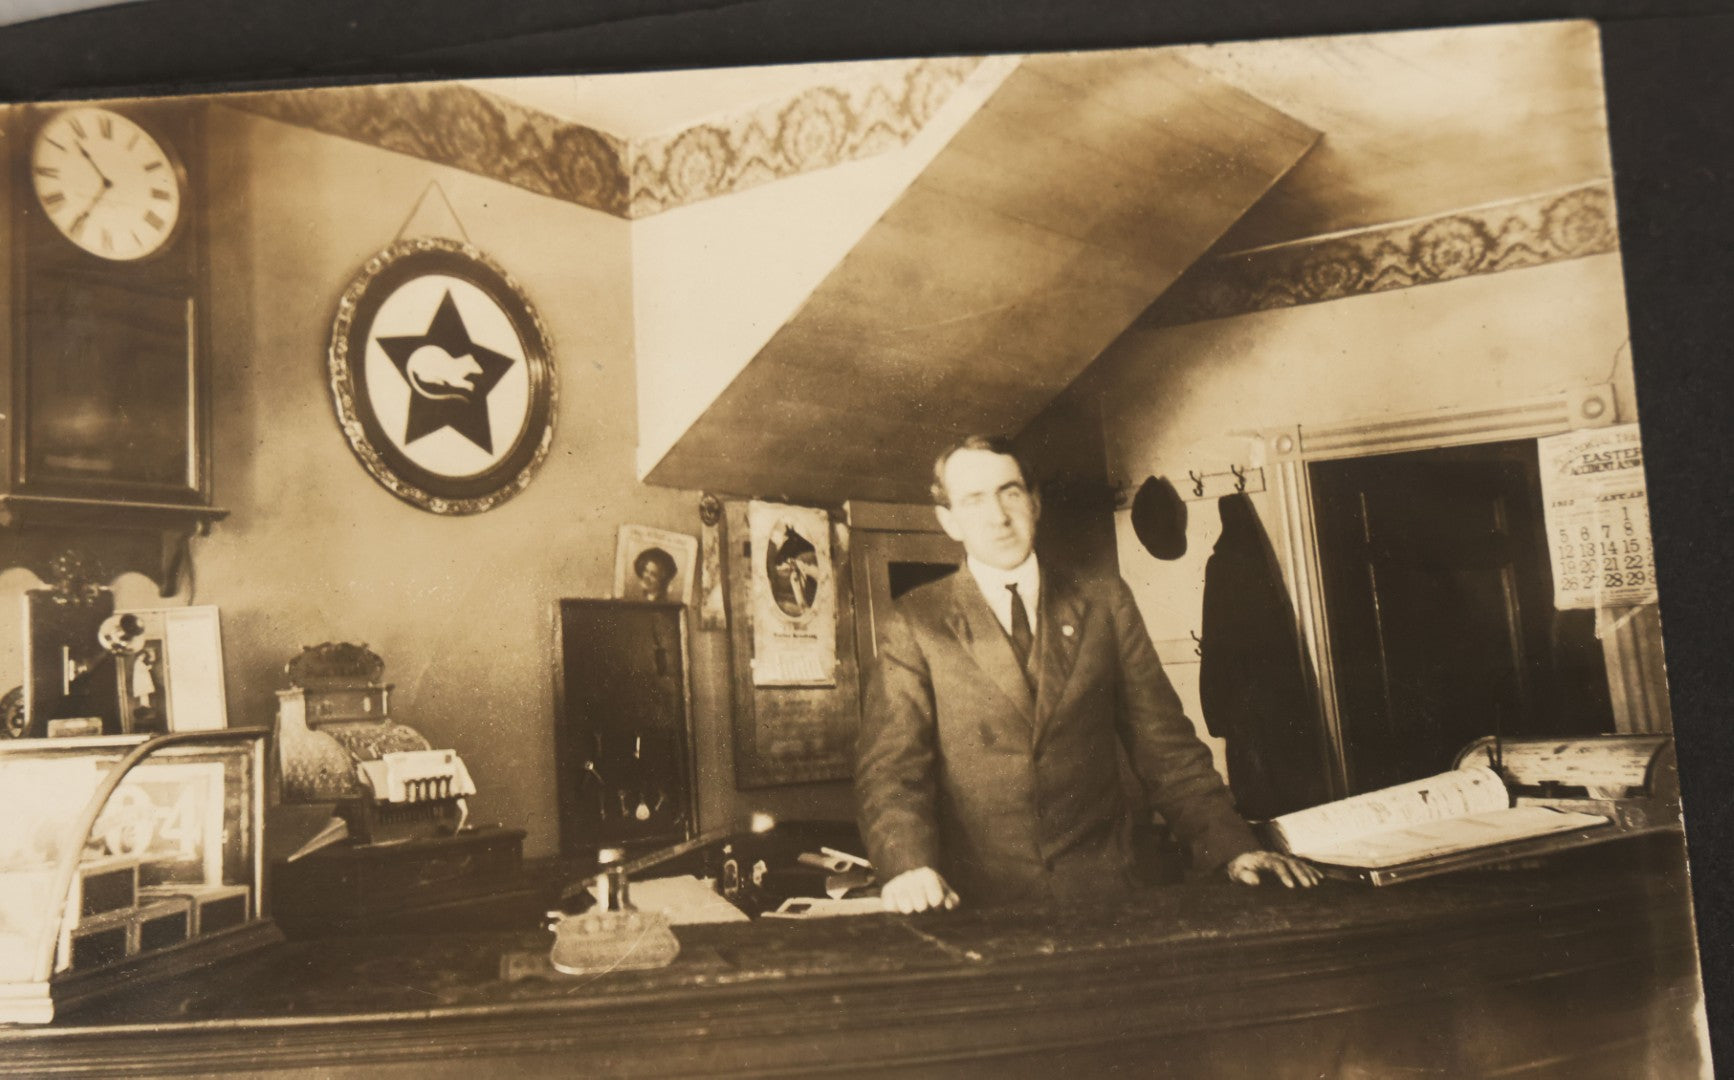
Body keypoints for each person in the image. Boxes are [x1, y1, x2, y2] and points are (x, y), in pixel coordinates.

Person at [856, 435, 1320, 913]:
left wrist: (1234, 848)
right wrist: (909, 865)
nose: (998, 516)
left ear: (1034, 502)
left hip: (1107, 896)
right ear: (948, 519)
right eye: (974, 500)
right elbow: (892, 772)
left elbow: (1166, 749)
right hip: (979, 906)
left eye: (1010, 492)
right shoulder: (914, 621)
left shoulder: (1105, 600)